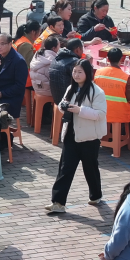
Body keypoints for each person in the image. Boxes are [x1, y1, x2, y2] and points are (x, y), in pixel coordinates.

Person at [47, 60, 107, 214]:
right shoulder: (70, 89)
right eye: (74, 71)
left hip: (89, 137)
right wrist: (63, 107)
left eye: (80, 72)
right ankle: (58, 202)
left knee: (90, 168)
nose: (76, 75)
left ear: (88, 73)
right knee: (65, 169)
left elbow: (100, 115)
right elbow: (62, 105)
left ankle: (96, 195)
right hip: (71, 134)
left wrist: (80, 110)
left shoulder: (97, 92)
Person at [0, 34, 28, 120]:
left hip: (10, 97)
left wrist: (2, 94)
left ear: (10, 44)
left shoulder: (19, 61)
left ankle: (3, 133)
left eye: (2, 44)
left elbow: (20, 86)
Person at [94, 48, 130, 126]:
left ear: (107, 59)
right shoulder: (124, 76)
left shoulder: (98, 72)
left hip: (99, 111)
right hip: (119, 114)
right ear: (121, 59)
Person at [49, 38, 86, 104]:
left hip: (56, 98)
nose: (82, 52)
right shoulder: (74, 62)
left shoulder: (56, 58)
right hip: (67, 101)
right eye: (82, 49)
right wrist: (88, 65)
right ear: (77, 50)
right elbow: (85, 79)